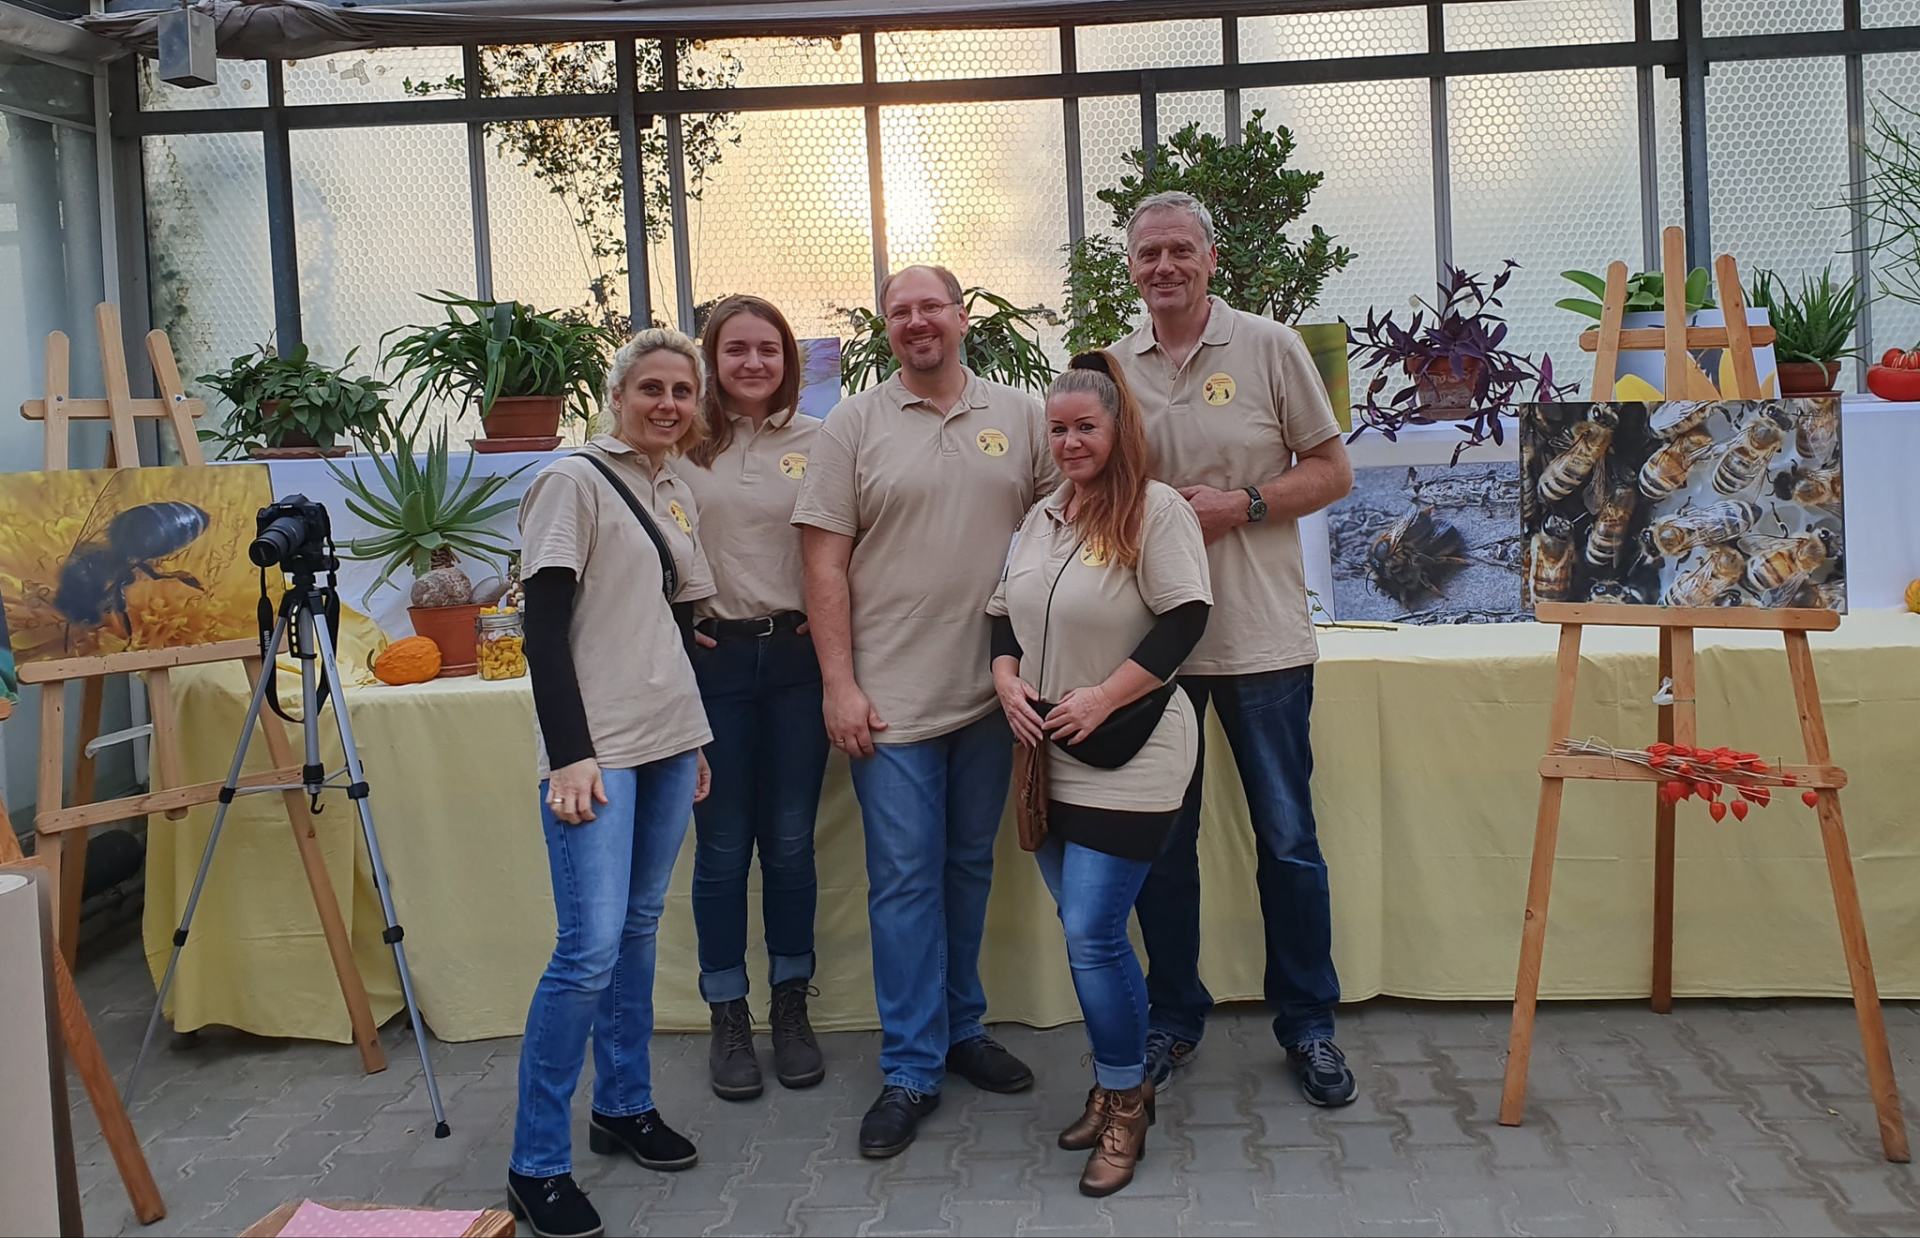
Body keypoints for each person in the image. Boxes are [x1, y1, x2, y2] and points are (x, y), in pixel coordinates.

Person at [791, 264, 1056, 1158]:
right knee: (905, 882)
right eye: (900, 311)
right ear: (887, 327)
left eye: (930, 306)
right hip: (890, 702)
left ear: (962, 315)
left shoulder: (1022, 416)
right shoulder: (852, 425)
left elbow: (1061, 531)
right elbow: (822, 564)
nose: (916, 321)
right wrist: (839, 684)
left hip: (993, 693)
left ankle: (960, 1026)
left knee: (968, 867)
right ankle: (910, 1066)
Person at [1111, 190, 1359, 1106]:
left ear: (1211, 259)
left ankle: (1309, 1024)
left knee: (1287, 841)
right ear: (1131, 269)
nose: (1165, 267)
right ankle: (1173, 1016)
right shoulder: (1111, 367)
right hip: (1154, 650)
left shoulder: (1271, 347)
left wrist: (1244, 505)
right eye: (1149, 254)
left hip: (1260, 640)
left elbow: (1333, 471)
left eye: (1181, 250)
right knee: (1161, 844)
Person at [988, 351, 1212, 1197]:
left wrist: (1103, 697)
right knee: (1090, 934)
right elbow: (1003, 615)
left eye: (1086, 427)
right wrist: (1006, 681)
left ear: (1120, 431)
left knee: (1090, 930)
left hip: (1132, 751)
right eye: (1058, 430)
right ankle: (1120, 1082)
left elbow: (1186, 617)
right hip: (1051, 753)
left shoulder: (1156, 510)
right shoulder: (1043, 515)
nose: (1071, 442)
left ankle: (1124, 1103)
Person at [509, 328, 717, 1238]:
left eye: (682, 391)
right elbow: (543, 628)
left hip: (669, 739)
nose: (667, 404)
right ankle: (535, 1163)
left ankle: (624, 1105)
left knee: (636, 930)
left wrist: (693, 738)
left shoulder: (674, 487)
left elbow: (669, 623)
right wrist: (569, 753)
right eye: (651, 388)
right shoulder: (573, 481)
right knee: (587, 950)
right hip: (599, 751)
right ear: (618, 395)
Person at [677, 296, 829, 1101]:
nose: (753, 363)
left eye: (768, 348)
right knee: (724, 846)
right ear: (712, 359)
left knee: (792, 842)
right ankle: (728, 1012)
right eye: (736, 349)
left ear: (788, 360)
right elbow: (648, 545)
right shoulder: (682, 443)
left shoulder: (821, 441)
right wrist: (678, 627)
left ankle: (791, 1004)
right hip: (717, 667)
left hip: (798, 663)